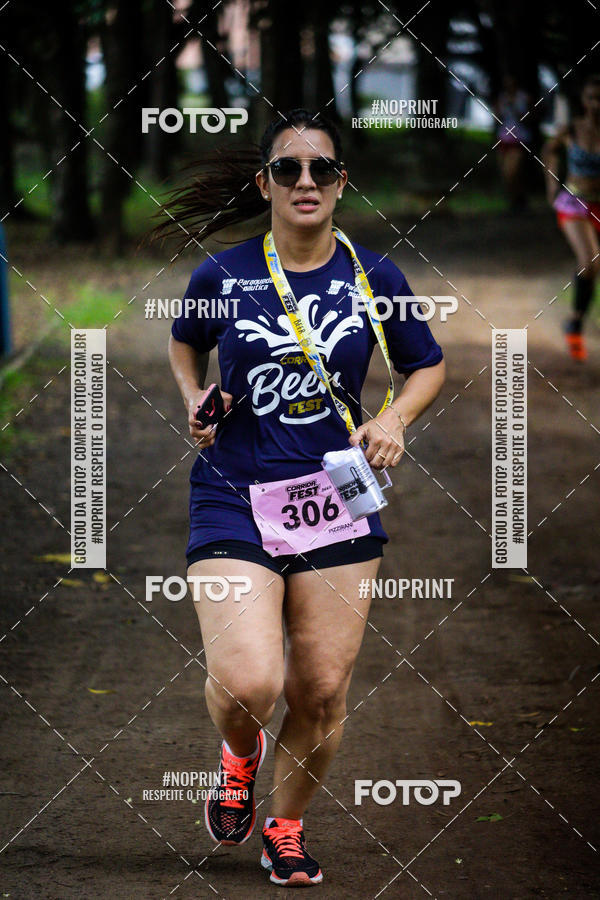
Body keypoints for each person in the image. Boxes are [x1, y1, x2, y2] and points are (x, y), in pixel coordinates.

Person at [162, 108, 445, 887]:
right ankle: (240, 755)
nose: (307, 181)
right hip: (233, 492)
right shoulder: (223, 275)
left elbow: (426, 364)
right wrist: (195, 399)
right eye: (289, 169)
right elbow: (185, 338)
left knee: (320, 690)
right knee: (251, 681)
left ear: (342, 182)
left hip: (335, 501)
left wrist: (393, 416)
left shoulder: (375, 277)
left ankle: (284, 829)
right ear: (266, 183)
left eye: (322, 168)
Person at [543, 74, 600, 361]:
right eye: (592, 98)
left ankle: (576, 321)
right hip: (574, 203)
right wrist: (552, 185)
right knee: (590, 262)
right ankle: (575, 324)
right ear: (584, 101)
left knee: (593, 268)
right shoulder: (571, 131)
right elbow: (549, 151)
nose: (596, 105)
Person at [494, 74, 534, 212]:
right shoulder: (502, 97)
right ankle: (514, 201)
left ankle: (519, 199)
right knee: (506, 174)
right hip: (504, 137)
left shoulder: (524, 98)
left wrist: (515, 107)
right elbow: (497, 117)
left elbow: (528, 118)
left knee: (512, 172)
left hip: (519, 138)